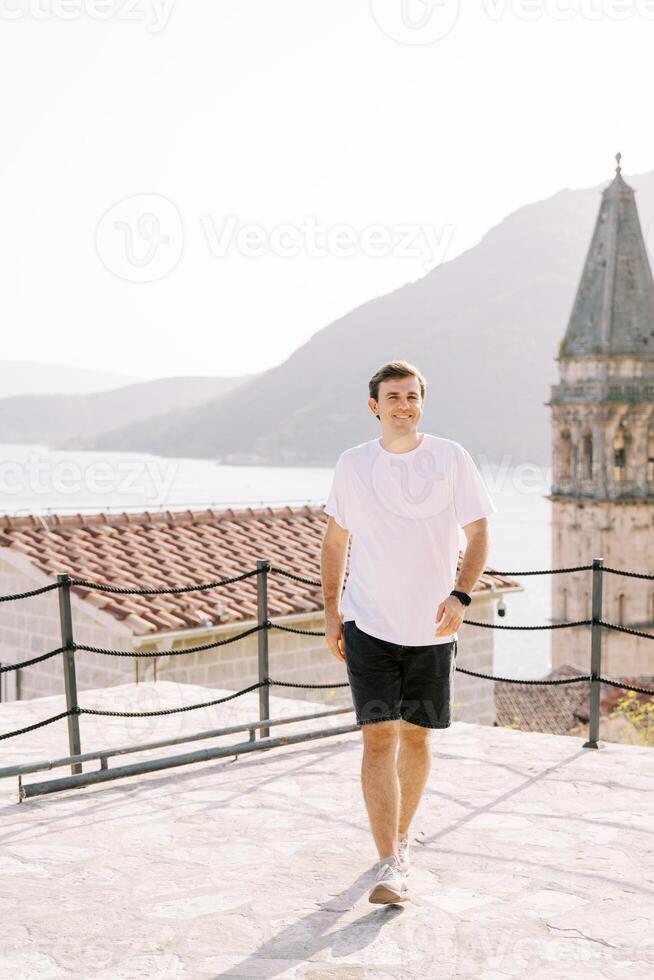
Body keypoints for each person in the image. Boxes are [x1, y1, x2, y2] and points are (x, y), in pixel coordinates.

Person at [320, 360, 497, 904]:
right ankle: (387, 862)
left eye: (412, 396)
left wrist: (461, 595)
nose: (404, 405)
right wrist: (331, 611)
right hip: (368, 622)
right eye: (393, 396)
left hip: (432, 627)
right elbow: (335, 541)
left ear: (422, 402)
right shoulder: (353, 464)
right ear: (374, 405)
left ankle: (401, 839)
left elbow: (479, 531)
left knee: (416, 736)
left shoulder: (450, 457)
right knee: (378, 737)